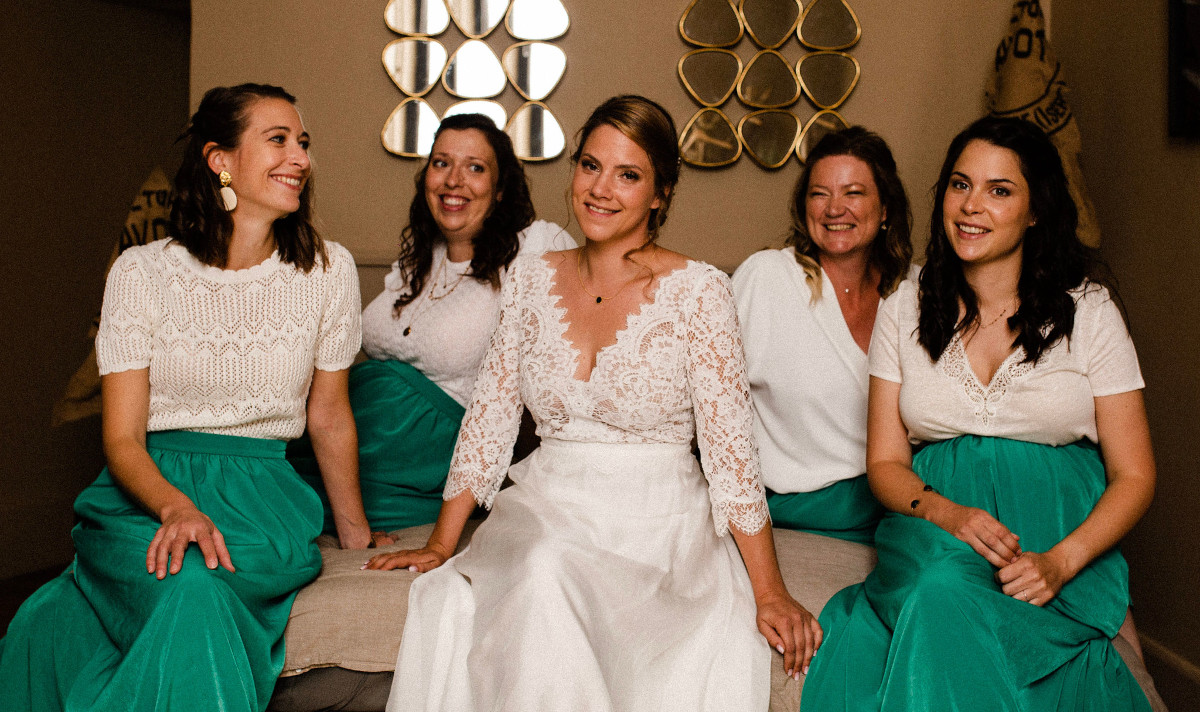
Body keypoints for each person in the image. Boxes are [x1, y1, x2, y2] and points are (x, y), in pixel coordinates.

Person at [366, 95, 820, 711]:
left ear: (659, 193)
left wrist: (769, 592)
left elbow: (732, 459)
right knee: (541, 570)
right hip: (547, 506)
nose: (601, 189)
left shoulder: (701, 291)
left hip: (657, 523)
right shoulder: (529, 278)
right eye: (589, 166)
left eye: (627, 175)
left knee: (556, 578)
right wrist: (443, 546)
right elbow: (489, 423)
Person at [0, 83, 377, 712]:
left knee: (196, 587)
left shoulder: (327, 271)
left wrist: (356, 532)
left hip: (262, 503)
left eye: (303, 143)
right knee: (73, 615)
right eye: (278, 140)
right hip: (145, 494)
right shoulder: (142, 273)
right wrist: (176, 510)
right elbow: (121, 438)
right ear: (220, 160)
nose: (300, 158)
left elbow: (329, 414)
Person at [801, 116, 1155, 711]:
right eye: (960, 185)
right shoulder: (904, 308)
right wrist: (947, 514)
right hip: (934, 527)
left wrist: (1060, 563)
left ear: (1035, 209)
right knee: (938, 592)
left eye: (999, 190)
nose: (971, 206)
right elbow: (886, 463)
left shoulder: (1089, 312)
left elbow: (1136, 475)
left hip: (1051, 533)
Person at [288, 113, 573, 534]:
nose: (453, 180)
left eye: (475, 167)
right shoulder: (418, 260)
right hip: (356, 429)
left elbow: (573, 357)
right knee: (265, 472)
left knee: (291, 503)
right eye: (441, 163)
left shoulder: (535, 247)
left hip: (427, 455)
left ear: (499, 191)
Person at [732, 127, 912, 545]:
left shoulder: (916, 292)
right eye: (819, 194)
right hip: (796, 506)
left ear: (885, 209)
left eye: (853, 193)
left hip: (899, 500)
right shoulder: (767, 278)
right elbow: (703, 404)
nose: (834, 209)